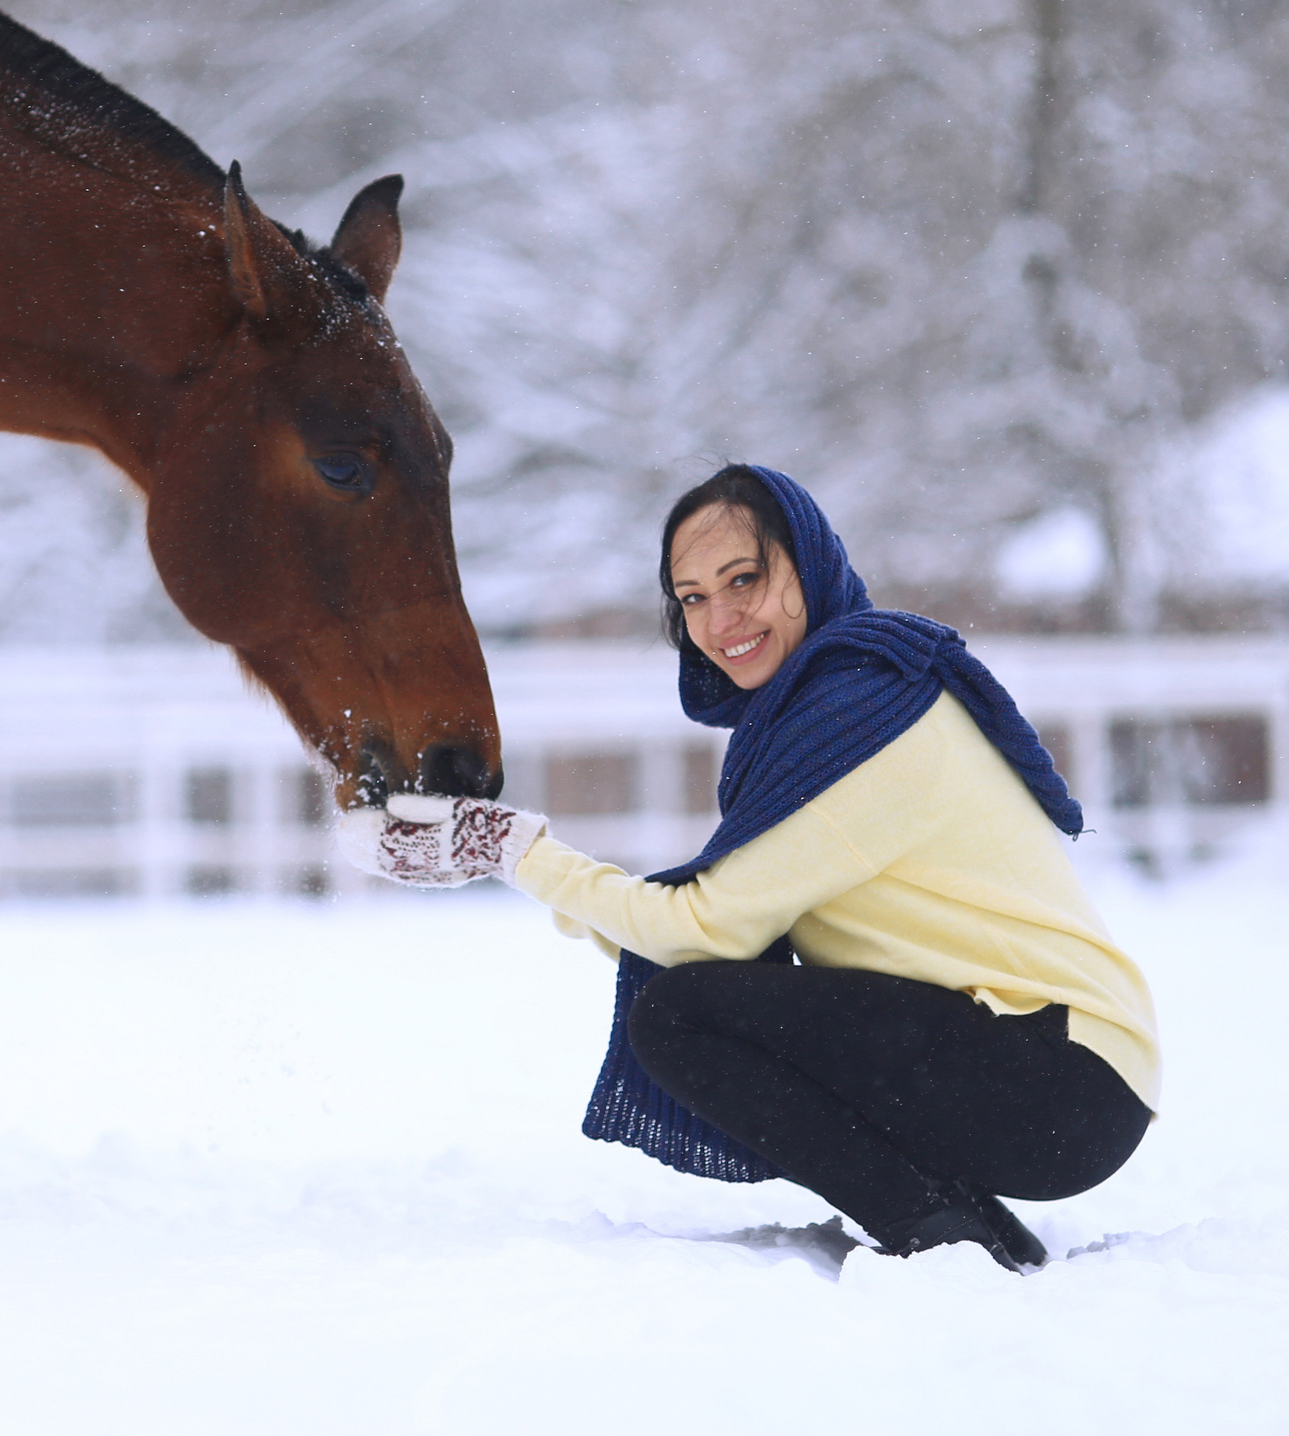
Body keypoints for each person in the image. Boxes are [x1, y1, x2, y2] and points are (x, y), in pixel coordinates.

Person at [338, 464, 1157, 1272]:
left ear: (809, 563)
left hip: (1059, 1075)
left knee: (679, 1017)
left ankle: (935, 1226)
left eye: (744, 579)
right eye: (692, 596)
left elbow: (703, 929)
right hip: (1054, 1071)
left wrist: (513, 851)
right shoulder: (840, 701)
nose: (719, 617)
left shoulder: (863, 719)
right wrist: (520, 863)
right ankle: (969, 1224)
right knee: (700, 1001)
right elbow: (710, 931)